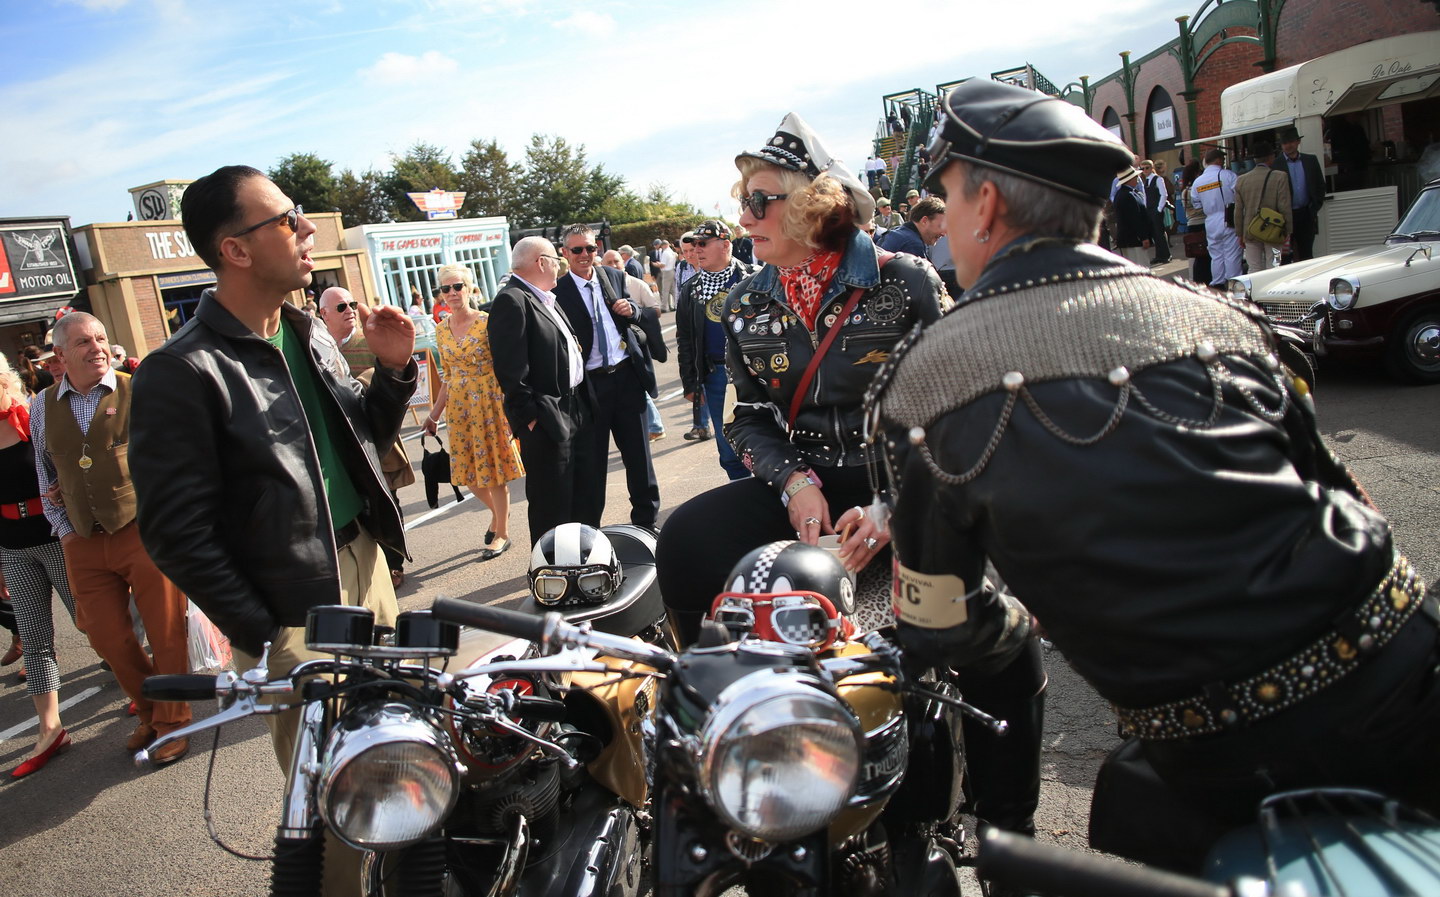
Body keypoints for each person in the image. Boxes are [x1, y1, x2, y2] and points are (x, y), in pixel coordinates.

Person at [870, 77, 1440, 875]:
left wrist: (1014, 623)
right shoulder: (1220, 318)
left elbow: (937, 620)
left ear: (988, 204)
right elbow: (1351, 500)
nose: (943, 222)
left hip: (1225, 752)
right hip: (1408, 663)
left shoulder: (926, 381)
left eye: (948, 196)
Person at [656, 113, 1047, 850]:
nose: (744, 216)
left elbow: (961, 400)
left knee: (1002, 639)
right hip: (808, 491)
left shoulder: (902, 281)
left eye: (761, 199)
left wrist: (897, 502)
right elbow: (746, 418)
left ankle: (1007, 826)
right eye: (743, 199)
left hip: (913, 483)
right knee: (681, 540)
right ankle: (719, 725)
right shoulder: (742, 303)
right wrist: (794, 481)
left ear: (812, 203)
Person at [130, 165, 416, 896]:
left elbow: (358, 439)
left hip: (366, 567)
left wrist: (392, 372)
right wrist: (269, 628)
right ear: (236, 249)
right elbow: (174, 530)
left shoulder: (303, 328)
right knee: (333, 802)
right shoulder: (181, 369)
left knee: (404, 757)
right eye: (287, 219)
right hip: (299, 610)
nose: (308, 228)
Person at [32, 311, 193, 764]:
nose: (97, 347)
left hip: (142, 529)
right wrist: (64, 533)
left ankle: (173, 722)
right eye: (84, 342)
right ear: (60, 355)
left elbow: (174, 457)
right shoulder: (42, 405)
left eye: (101, 338)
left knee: (165, 632)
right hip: (82, 537)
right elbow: (45, 473)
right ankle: (148, 709)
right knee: (106, 637)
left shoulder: (137, 390)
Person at [553, 224, 663, 530]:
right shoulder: (558, 292)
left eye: (590, 248)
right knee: (591, 464)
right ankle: (589, 532)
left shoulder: (614, 277)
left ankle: (646, 522)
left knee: (639, 458)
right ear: (565, 253)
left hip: (627, 377)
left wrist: (633, 311)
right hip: (590, 386)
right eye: (577, 250)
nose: (585, 255)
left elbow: (637, 319)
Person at [0, 353, 79, 778]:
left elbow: (62, 469)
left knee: (89, 621)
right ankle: (51, 729)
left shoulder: (31, 417)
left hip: (53, 537)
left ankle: (138, 685)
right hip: (12, 547)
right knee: (33, 636)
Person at [488, 237, 596, 546]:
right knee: (553, 503)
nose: (560, 267)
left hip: (575, 408)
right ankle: (551, 572)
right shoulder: (513, 300)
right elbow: (510, 370)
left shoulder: (545, 296)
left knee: (580, 496)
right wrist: (530, 418)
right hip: (548, 416)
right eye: (556, 260)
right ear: (541, 262)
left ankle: (582, 563)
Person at [422, 264, 524, 561]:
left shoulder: (487, 322)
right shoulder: (440, 330)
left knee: (494, 474)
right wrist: (433, 415)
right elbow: (447, 376)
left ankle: (502, 533)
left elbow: (506, 365)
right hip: (459, 409)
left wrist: (509, 406)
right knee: (466, 475)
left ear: (469, 289)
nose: (453, 293)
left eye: (458, 287)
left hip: (489, 404)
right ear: (441, 294)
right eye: (446, 289)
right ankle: (498, 516)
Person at [319, 286, 413, 587]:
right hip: (344, 444)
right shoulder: (318, 349)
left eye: (352, 304)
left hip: (376, 434)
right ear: (323, 315)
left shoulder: (370, 341)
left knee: (385, 496)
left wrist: (389, 370)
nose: (348, 310)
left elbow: (382, 402)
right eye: (340, 307)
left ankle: (393, 562)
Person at [673, 219, 756, 480]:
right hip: (716, 375)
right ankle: (744, 500)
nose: (696, 249)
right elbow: (684, 339)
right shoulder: (690, 289)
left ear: (725, 244)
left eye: (702, 243)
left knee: (769, 438)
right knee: (728, 448)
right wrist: (690, 384)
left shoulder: (755, 277)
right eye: (693, 244)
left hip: (756, 371)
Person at [602, 249, 666, 442]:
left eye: (616, 262)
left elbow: (656, 311)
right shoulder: (600, 287)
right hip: (619, 350)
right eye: (609, 263)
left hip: (638, 343)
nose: (613, 266)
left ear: (624, 263)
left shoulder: (637, 284)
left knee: (642, 387)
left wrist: (633, 313)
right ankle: (653, 427)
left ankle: (655, 426)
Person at [1233, 140, 1292, 274]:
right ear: (1271, 158)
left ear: (1254, 159)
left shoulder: (1241, 180)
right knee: (1274, 265)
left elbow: (1238, 210)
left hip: (1250, 229)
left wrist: (1239, 234)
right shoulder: (1280, 177)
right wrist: (1288, 230)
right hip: (1275, 229)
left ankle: (1255, 294)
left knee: (1254, 268)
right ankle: (1272, 294)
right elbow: (1284, 206)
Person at [1190, 147, 1241, 287]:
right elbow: (1239, 195)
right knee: (1232, 254)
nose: (1224, 162)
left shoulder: (1198, 182)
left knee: (1216, 255)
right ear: (1218, 160)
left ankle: (1217, 283)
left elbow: (1196, 204)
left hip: (1210, 221)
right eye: (1223, 159)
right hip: (1228, 218)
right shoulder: (1228, 175)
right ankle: (1234, 284)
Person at [1278, 126, 1327, 261]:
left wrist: (1315, 206)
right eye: (1285, 143)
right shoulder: (1276, 164)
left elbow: (1320, 186)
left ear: (1298, 142)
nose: (1288, 145)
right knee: (1285, 256)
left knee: (1307, 253)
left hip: (1306, 213)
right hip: (1285, 217)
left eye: (1291, 142)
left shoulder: (1310, 160)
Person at [876, 195, 947, 260]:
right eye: (940, 226)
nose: (944, 233)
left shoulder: (895, 233)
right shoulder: (912, 244)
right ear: (924, 221)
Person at [1112, 166, 1154, 266]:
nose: (1137, 179)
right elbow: (1135, 218)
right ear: (1129, 180)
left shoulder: (1128, 193)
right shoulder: (1127, 195)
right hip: (1133, 240)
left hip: (1131, 239)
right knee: (1140, 267)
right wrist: (1143, 237)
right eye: (1135, 177)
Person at [1179, 159, 1211, 285]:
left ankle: (1195, 279)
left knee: (1196, 254)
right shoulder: (1198, 189)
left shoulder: (1184, 191)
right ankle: (1206, 278)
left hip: (1191, 224)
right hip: (1203, 223)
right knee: (1206, 254)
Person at [1140, 159, 1172, 264]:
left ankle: (1166, 255)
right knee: (1154, 233)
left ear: (1152, 168)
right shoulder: (1146, 181)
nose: (1145, 170)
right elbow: (1145, 197)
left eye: (1147, 168)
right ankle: (1159, 255)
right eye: (1142, 168)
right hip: (1149, 209)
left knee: (1160, 232)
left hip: (1156, 209)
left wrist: (1159, 209)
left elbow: (1164, 194)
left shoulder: (1158, 179)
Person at [655, 239, 678, 312]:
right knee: (673, 289)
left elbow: (663, 264)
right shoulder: (672, 252)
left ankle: (664, 307)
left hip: (667, 272)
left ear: (664, 245)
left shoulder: (665, 253)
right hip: (672, 270)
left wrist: (657, 264)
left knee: (665, 290)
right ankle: (676, 304)